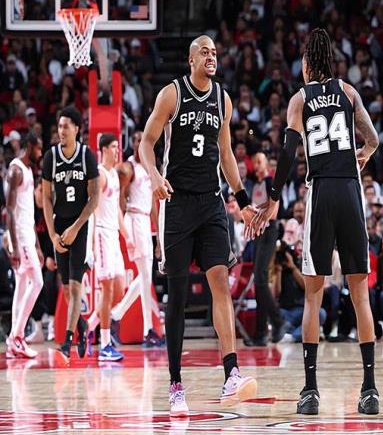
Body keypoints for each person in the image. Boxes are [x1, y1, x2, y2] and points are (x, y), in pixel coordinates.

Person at [252, 28, 380, 415]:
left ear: (308, 63)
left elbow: (288, 152)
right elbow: (373, 138)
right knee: (360, 295)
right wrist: (363, 154)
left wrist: (274, 197)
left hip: (322, 192)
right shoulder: (349, 92)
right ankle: (370, 389)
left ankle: (310, 391)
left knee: (313, 294)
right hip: (351, 193)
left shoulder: (300, 98)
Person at [139, 35, 257, 416]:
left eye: (214, 53)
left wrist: (242, 201)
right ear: (191, 60)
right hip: (176, 203)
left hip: (210, 203)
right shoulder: (172, 95)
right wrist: (154, 176)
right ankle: (175, 384)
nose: (211, 57)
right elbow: (146, 143)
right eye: (204, 52)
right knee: (178, 296)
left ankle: (231, 373)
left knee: (220, 281)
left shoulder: (222, 98)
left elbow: (226, 153)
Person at [41, 106, 99, 360]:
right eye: (59, 126)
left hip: (81, 224)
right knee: (65, 289)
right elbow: (46, 198)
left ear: (77, 129)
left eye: (66, 126)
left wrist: (76, 228)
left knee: (76, 286)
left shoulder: (87, 156)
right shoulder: (51, 157)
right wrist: (53, 235)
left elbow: (94, 198)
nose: (62, 130)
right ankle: (82, 325)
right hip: (60, 225)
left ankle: (67, 341)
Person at [110, 131, 163, 348]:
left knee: (145, 277)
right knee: (145, 277)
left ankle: (117, 315)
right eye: (135, 140)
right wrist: (121, 228)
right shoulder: (128, 167)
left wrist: (158, 235)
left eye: (142, 140)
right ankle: (148, 330)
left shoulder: (149, 167)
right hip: (133, 219)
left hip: (145, 222)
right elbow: (120, 198)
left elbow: (153, 205)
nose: (138, 143)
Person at [86, 133, 133, 362]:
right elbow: (91, 211)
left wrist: (127, 236)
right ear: (104, 149)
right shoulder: (100, 175)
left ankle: (90, 325)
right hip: (102, 234)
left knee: (120, 289)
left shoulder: (114, 174)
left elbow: (116, 210)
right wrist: (91, 246)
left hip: (113, 235)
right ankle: (104, 345)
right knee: (107, 290)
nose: (117, 151)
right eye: (114, 147)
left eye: (117, 147)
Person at [5, 133, 43, 358]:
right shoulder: (16, 170)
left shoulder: (28, 170)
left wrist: (37, 245)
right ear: (29, 146)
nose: (40, 153)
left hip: (28, 232)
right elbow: (9, 210)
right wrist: (13, 245)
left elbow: (29, 211)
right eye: (38, 149)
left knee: (21, 287)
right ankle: (16, 336)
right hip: (19, 234)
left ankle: (13, 340)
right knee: (37, 282)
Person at [245, 152, 285, 347]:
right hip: (258, 233)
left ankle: (278, 321)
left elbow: (274, 210)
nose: (256, 165)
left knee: (261, 278)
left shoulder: (270, 182)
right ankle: (260, 332)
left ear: (267, 165)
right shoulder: (255, 185)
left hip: (269, 230)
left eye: (259, 162)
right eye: (255, 162)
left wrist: (256, 211)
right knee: (259, 281)